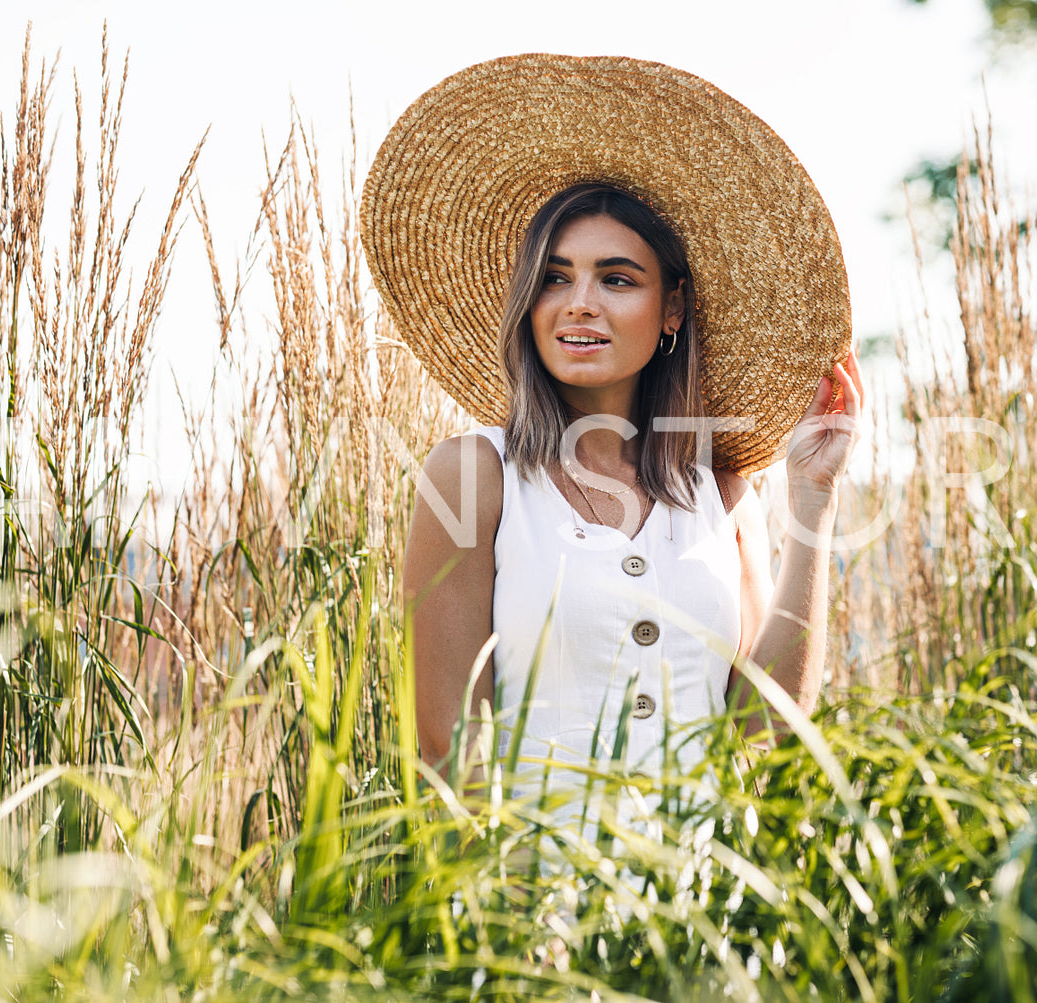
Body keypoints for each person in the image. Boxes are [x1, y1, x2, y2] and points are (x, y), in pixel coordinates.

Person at [360, 54, 862, 811]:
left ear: (672, 309)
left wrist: (813, 499)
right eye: (555, 277)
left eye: (616, 279)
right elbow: (448, 750)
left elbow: (765, 739)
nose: (578, 303)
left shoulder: (723, 495)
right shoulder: (471, 476)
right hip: (535, 904)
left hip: (699, 910)